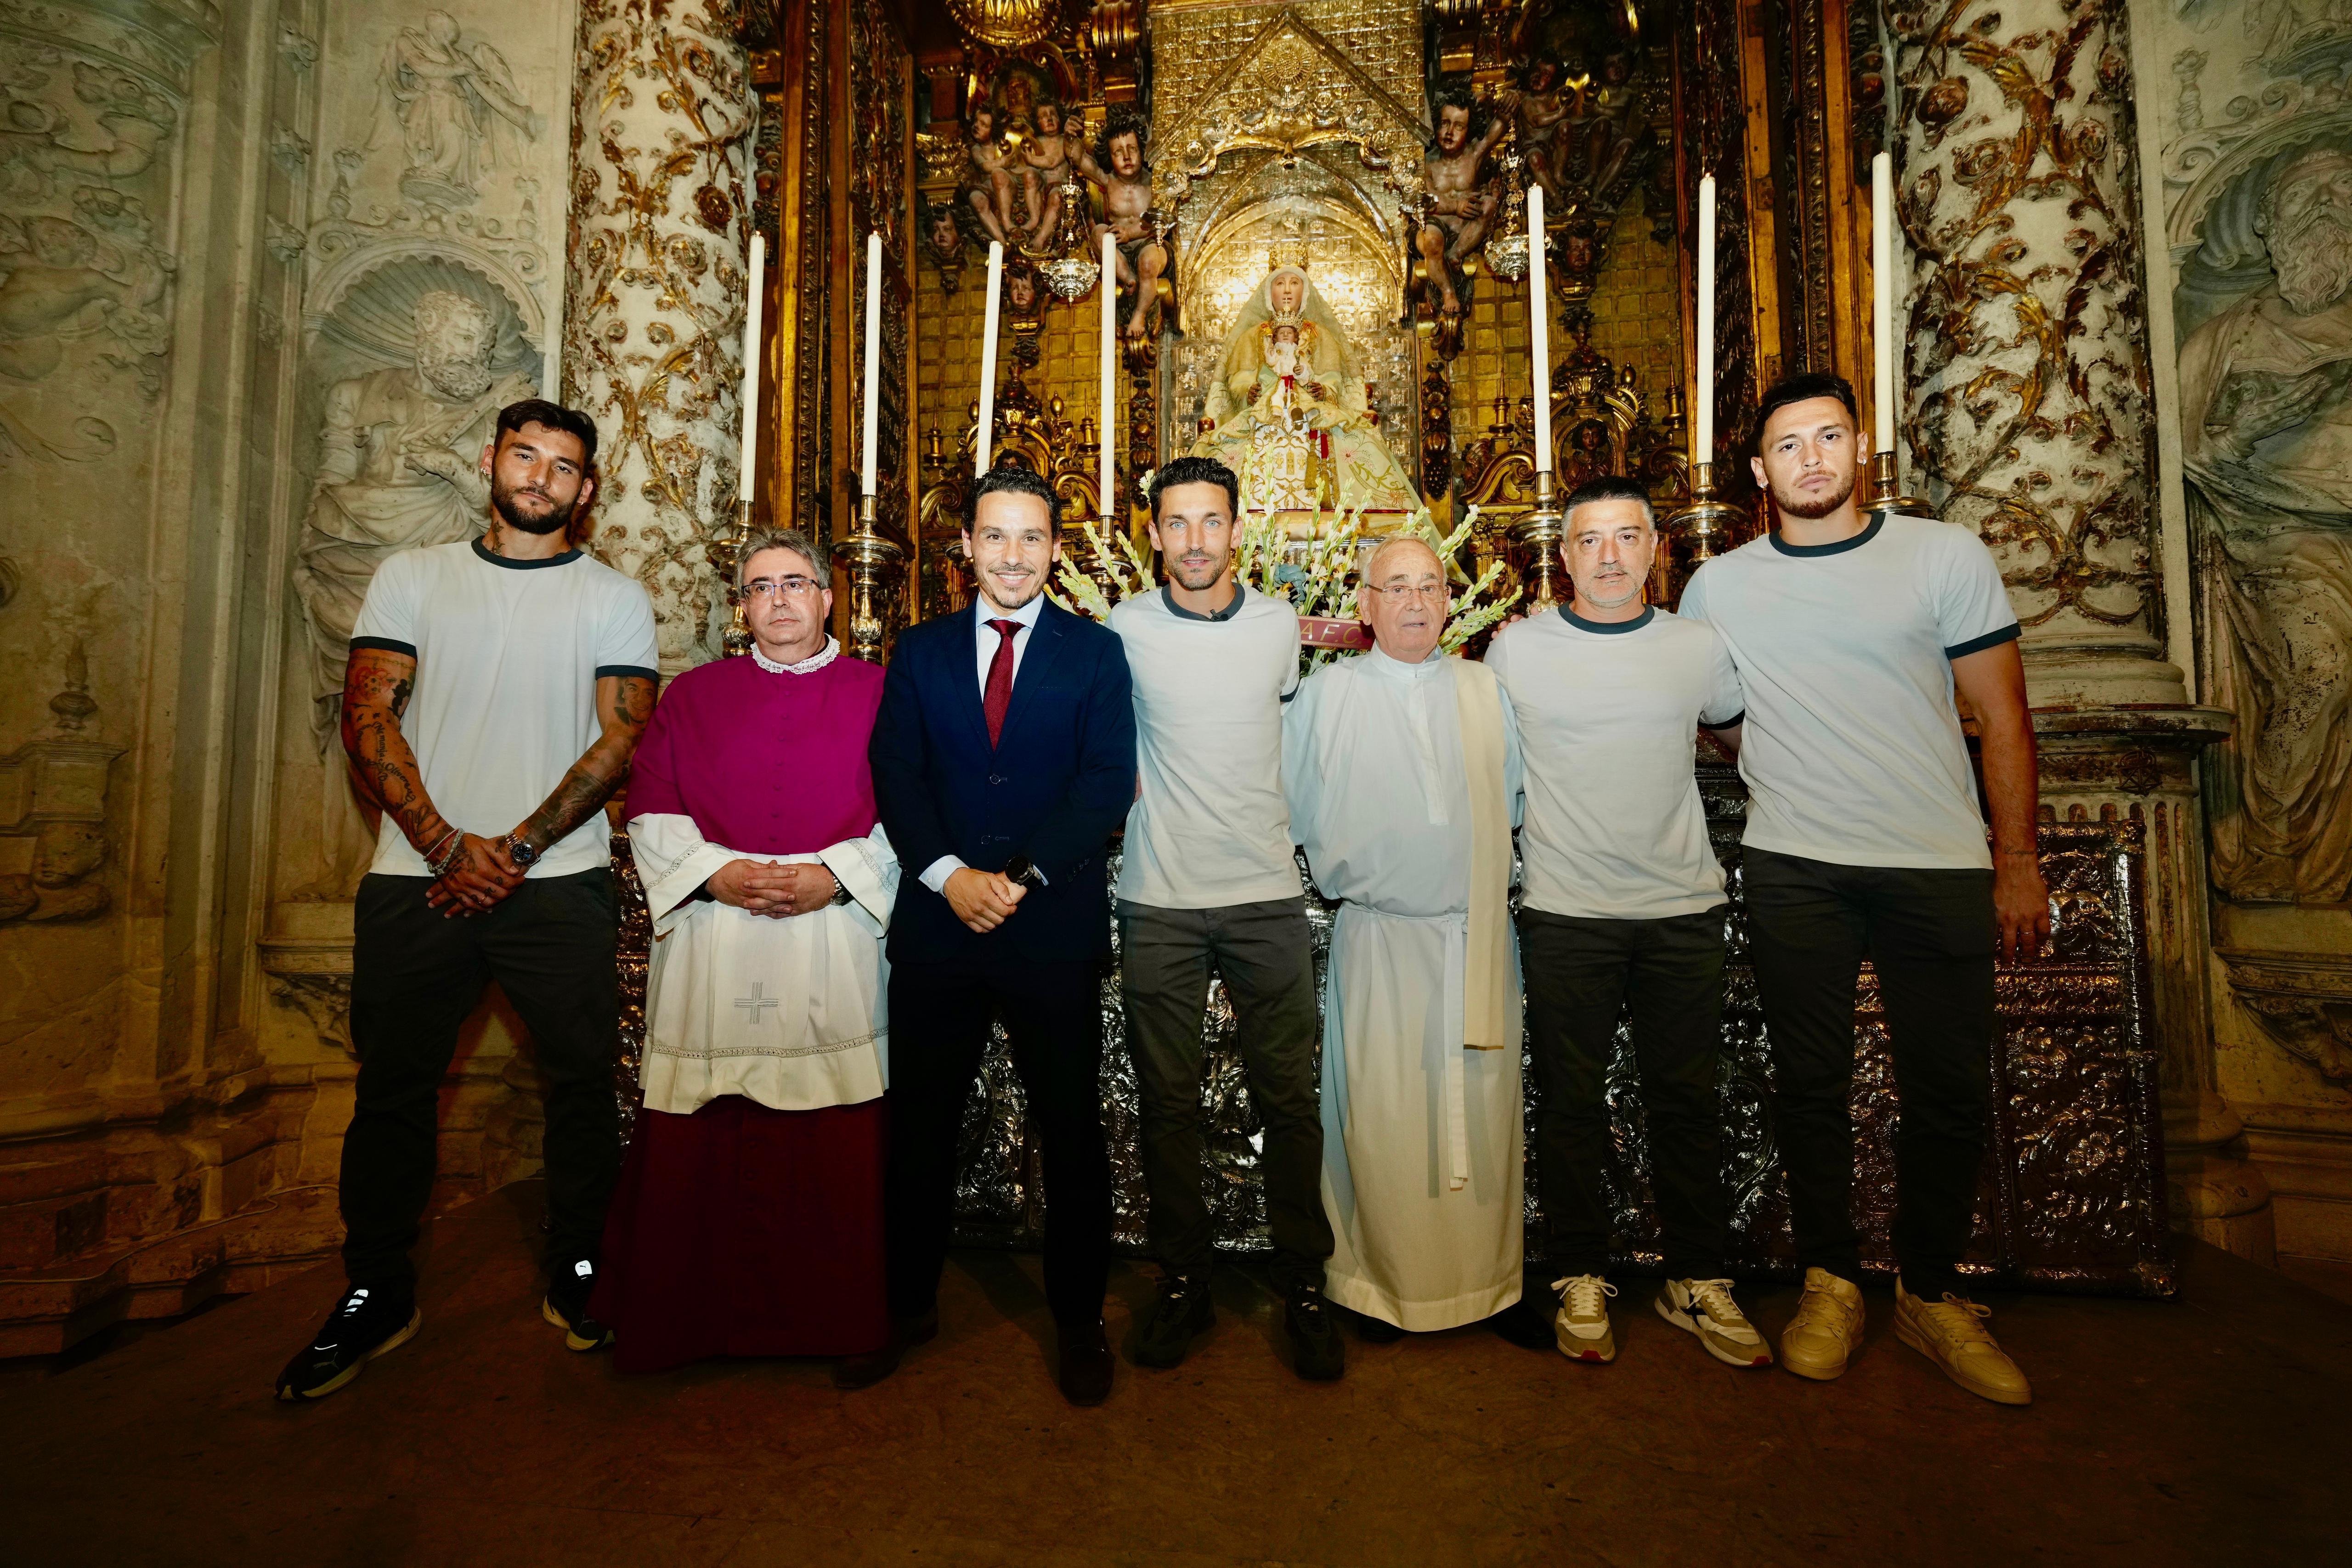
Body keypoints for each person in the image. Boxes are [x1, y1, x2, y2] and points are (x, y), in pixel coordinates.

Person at [1679, 370, 2050, 1406]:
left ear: (1858, 448)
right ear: (1759, 472)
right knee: (1809, 1085)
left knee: (1945, 1087)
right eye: (1787, 446)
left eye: (1827, 438)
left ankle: (1932, 1296)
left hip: (1934, 861)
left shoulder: (1941, 556)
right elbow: (1715, 712)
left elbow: (2003, 715)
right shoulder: (1720, 585)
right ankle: (1831, 1278)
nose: (1809, 459)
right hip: (1796, 863)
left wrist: (2014, 861)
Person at [276, 398, 658, 1400]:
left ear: (586, 488)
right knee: (395, 1089)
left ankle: (580, 1267)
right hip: (415, 882)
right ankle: (376, 1291)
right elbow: (369, 714)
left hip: (561, 883)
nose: (541, 478)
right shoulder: (414, 577)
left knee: (581, 1084)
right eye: (525, 457)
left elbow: (620, 739)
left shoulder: (613, 597)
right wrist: (446, 844)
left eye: (563, 466)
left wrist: (519, 848)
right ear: (491, 463)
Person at [588, 528, 898, 1383]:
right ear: (741, 608)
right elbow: (650, 805)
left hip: (831, 941)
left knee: (834, 1130)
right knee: (705, 1122)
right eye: (761, 587)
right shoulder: (693, 697)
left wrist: (834, 877)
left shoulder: (883, 691)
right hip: (717, 942)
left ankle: (841, 1321)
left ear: (830, 598)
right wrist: (716, 874)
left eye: (798, 583)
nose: (781, 601)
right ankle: (682, 1318)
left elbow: (913, 808)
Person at [865, 465, 1136, 1406]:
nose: (1013, 554)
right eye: (996, 536)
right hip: (939, 930)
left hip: (1047, 927)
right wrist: (949, 877)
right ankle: (904, 1307)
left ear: (1054, 549)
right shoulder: (921, 650)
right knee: (920, 1129)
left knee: (1071, 1134)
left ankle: (1078, 1321)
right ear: (968, 548)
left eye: (1032, 538)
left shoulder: (1095, 655)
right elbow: (895, 773)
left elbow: (1105, 783)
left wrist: (1014, 881)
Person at [1486, 477, 1768, 1370]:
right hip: (1567, 911)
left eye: (1627, 537)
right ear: (1562, 555)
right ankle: (1578, 1272)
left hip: (1681, 908)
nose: (1609, 556)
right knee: (1568, 1104)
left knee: (1686, 1101)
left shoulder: (1697, 648)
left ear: (1656, 548)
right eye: (1589, 540)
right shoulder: (1515, 651)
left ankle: (1696, 1279)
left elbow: (1741, 742)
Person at [1110, 454, 1344, 1381]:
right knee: (1166, 1106)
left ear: (1236, 529)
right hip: (1159, 899)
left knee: (1288, 1100)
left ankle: (1303, 1284)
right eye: (1177, 524)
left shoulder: (1278, 625)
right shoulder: (1123, 629)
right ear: (1155, 534)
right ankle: (1184, 1281)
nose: (1195, 541)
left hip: (1264, 897)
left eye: (1212, 522)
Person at [1283, 535, 1546, 1348]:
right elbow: (1290, 807)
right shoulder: (1326, 697)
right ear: (1364, 604)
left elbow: (1516, 801)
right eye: (1395, 586)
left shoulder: (1483, 689)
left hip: (1474, 935)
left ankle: (1494, 1286)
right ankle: (1382, 1286)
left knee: (1487, 1111)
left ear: (1448, 600)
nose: (1414, 601)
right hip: (1382, 939)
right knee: (1384, 1111)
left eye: (1430, 585)